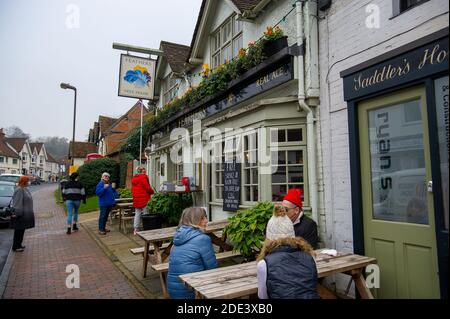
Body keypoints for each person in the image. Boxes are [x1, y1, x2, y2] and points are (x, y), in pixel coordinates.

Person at [257, 204, 320, 299]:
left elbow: (262, 296)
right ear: (293, 236)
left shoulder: (264, 264)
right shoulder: (310, 257)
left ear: (268, 239)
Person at [167, 207, 217, 299]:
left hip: (173, 289)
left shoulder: (178, 236)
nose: (206, 221)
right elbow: (212, 269)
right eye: (203, 218)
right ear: (194, 220)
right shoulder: (203, 239)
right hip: (190, 291)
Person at [10, 176, 35, 252]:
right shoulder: (19, 190)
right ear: (24, 182)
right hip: (20, 214)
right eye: (27, 181)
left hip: (25, 213)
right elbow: (17, 202)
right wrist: (17, 213)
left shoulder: (25, 189)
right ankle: (16, 246)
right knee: (18, 230)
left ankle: (19, 244)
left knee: (21, 230)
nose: (29, 182)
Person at [131, 166, 154, 235]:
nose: (145, 171)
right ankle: (146, 228)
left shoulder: (134, 178)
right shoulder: (143, 177)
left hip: (136, 199)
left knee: (137, 214)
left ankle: (136, 229)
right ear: (142, 171)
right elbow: (147, 188)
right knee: (146, 213)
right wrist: (152, 192)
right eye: (144, 170)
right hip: (144, 198)